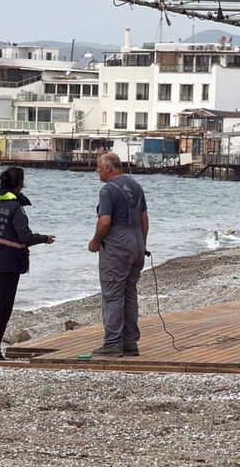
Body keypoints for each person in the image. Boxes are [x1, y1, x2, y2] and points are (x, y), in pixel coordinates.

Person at [0, 167, 55, 361]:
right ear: (19, 184)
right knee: (3, 307)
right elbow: (25, 237)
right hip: (9, 263)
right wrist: (44, 238)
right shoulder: (14, 206)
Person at [88, 153, 149, 357]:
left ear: (107, 167)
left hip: (118, 245)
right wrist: (142, 244)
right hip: (136, 241)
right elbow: (144, 220)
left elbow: (105, 221)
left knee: (113, 294)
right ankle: (130, 342)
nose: (97, 170)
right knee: (129, 293)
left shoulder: (108, 190)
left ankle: (113, 343)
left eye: (98, 167)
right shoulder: (136, 186)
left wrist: (95, 241)